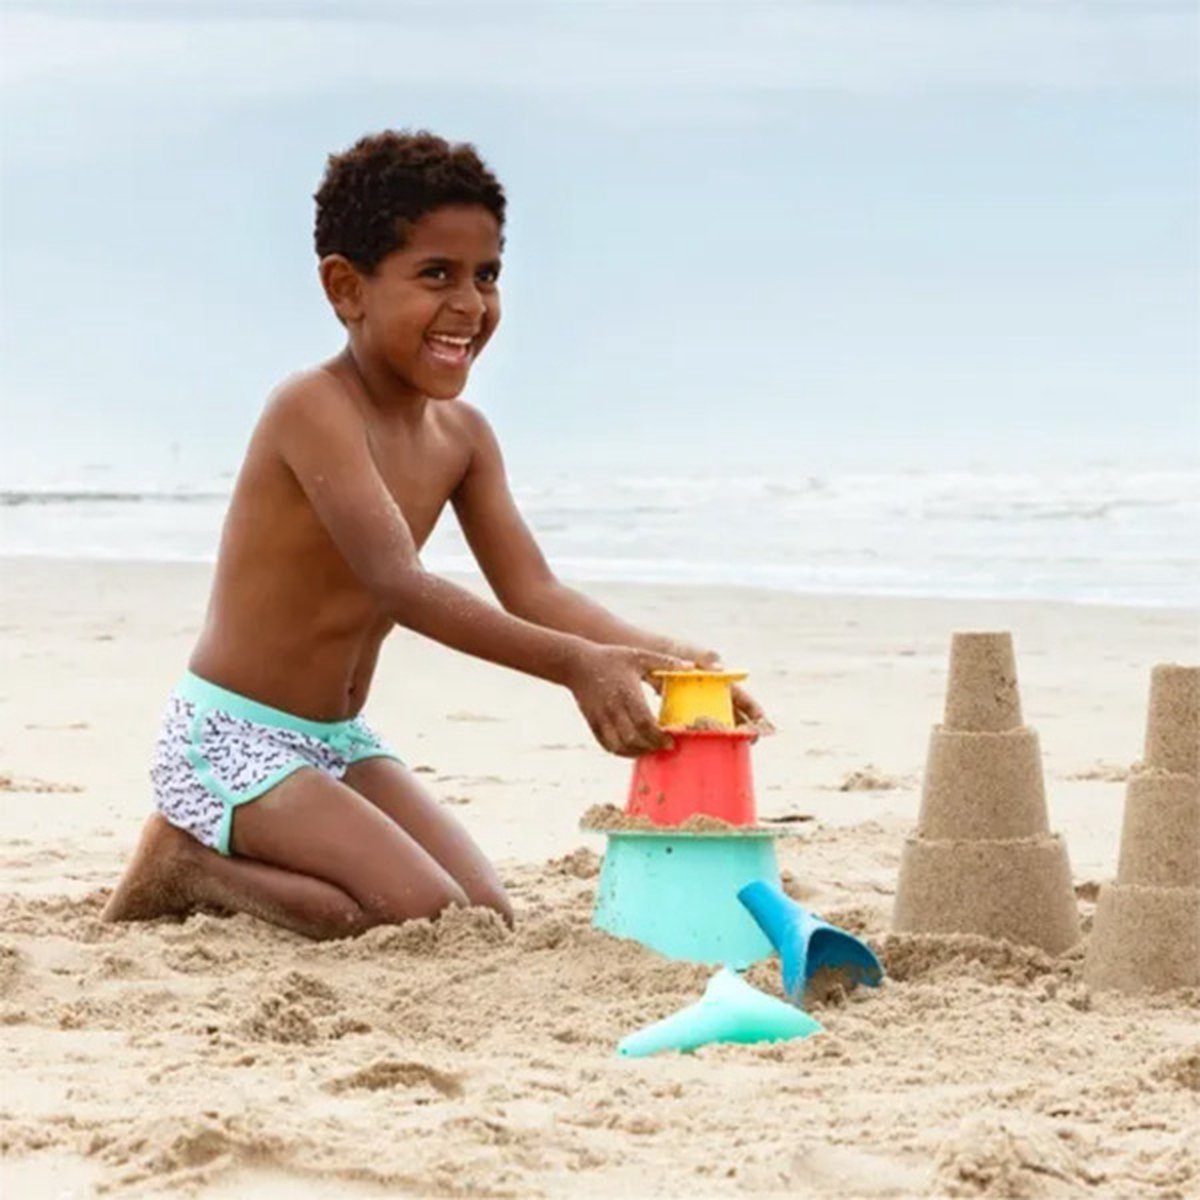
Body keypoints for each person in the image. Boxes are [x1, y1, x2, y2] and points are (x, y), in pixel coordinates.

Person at [103, 130, 765, 940]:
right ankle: (185, 862)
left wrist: (669, 661)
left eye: (487, 275)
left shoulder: (464, 437)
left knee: (482, 915)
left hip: (336, 741)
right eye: (436, 275)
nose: (471, 305)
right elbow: (400, 585)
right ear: (347, 288)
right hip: (232, 740)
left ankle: (227, 856)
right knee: (420, 913)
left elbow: (534, 590)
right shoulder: (313, 408)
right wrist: (574, 667)